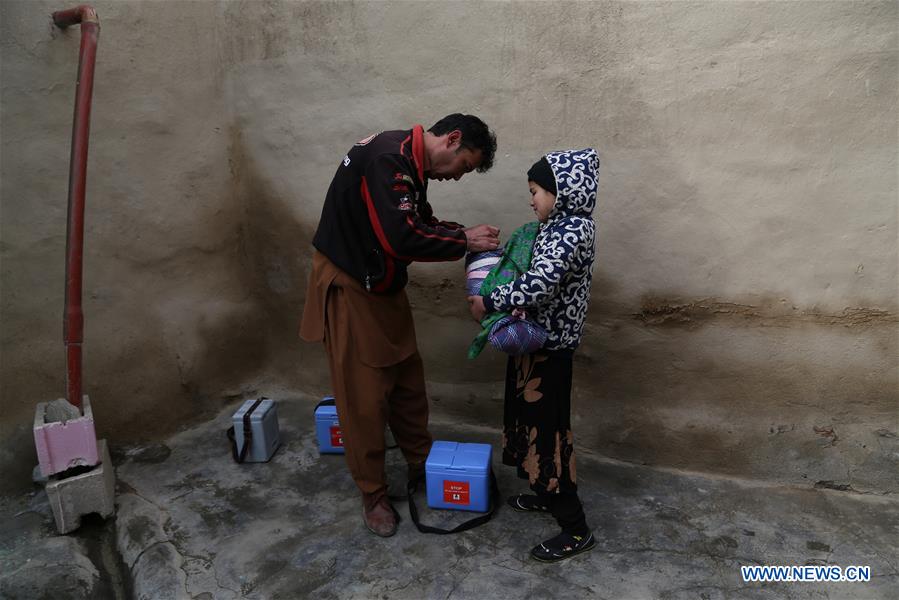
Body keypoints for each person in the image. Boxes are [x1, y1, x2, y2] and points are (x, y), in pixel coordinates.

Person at [300, 114, 500, 538]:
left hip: (380, 283)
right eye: (464, 166)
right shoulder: (388, 159)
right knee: (363, 396)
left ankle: (421, 462)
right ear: (453, 139)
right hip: (351, 284)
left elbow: (417, 221)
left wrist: (461, 233)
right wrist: (464, 241)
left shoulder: (408, 161)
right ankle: (372, 493)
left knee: (407, 378)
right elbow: (401, 238)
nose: (457, 177)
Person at [468, 148, 599, 562]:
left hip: (551, 350)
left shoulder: (571, 230)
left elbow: (538, 285)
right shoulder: (554, 227)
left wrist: (490, 300)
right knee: (529, 423)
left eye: (536, 191)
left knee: (548, 434)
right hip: (533, 343)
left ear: (563, 192)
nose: (531, 200)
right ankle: (544, 491)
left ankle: (575, 529)